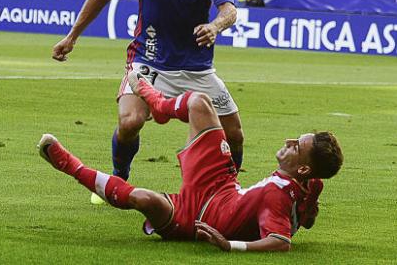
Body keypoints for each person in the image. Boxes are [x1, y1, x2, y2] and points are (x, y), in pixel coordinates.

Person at [52, 0, 243, 204]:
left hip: (197, 69)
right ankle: (119, 176)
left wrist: (215, 26)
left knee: (234, 135)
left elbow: (229, 9)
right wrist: (72, 36)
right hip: (148, 64)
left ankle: (229, 193)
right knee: (129, 122)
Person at [38, 72, 343, 251]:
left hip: (198, 219)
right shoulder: (311, 181)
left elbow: (280, 241)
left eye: (296, 146)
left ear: (302, 167)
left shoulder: (279, 197)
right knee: (199, 102)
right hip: (222, 187)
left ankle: (67, 164)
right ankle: (157, 103)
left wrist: (230, 245)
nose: (289, 142)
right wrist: (308, 211)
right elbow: (309, 217)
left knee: (144, 199)